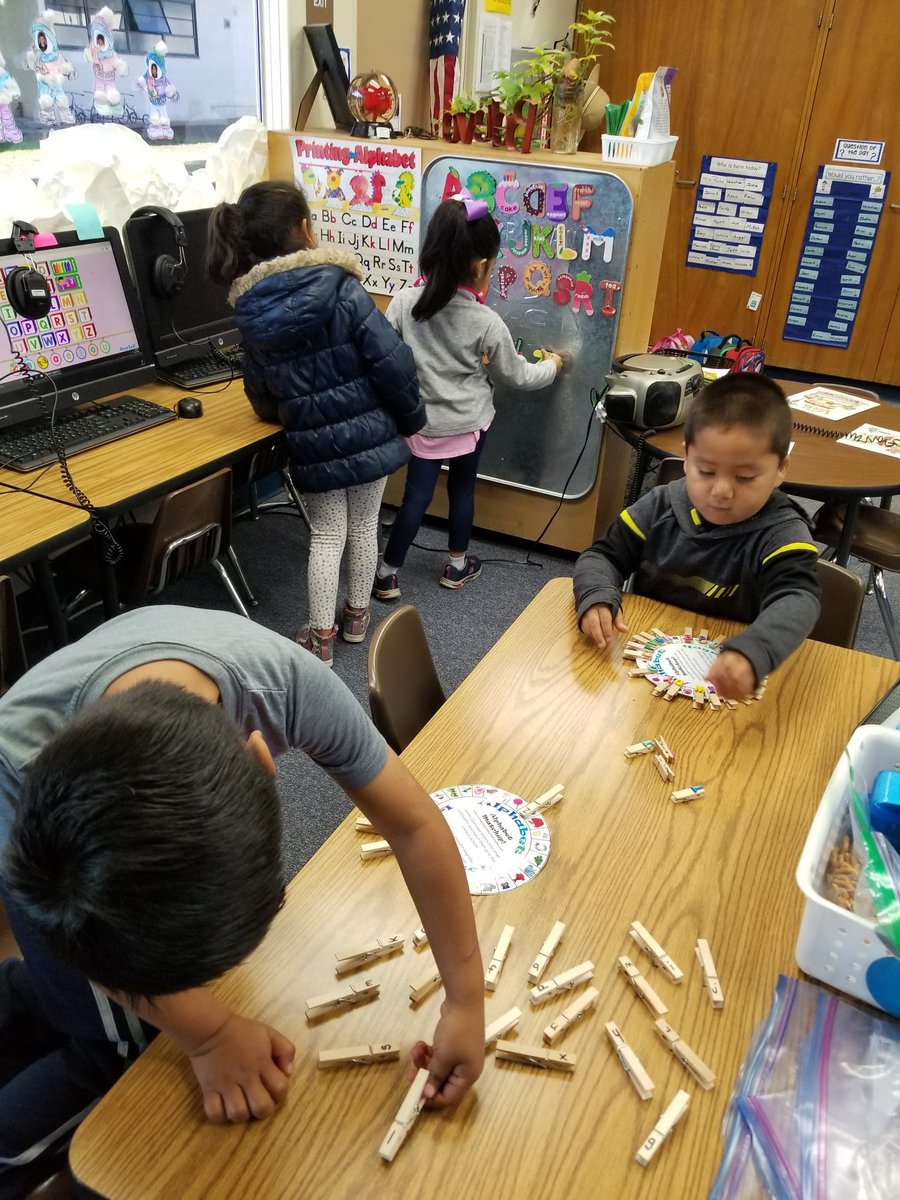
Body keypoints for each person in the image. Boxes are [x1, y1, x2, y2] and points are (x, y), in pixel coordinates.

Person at [0, 606, 484, 1197]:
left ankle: (33, 994)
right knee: (119, 1042)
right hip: (19, 806)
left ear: (261, 759)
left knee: (72, 989)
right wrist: (208, 1035)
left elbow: (415, 825)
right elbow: (96, 955)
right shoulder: (30, 793)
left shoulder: (289, 683)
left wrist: (465, 1000)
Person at [208, 181, 424, 667]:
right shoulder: (343, 285)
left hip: (312, 444)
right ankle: (357, 619)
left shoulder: (252, 310)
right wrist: (412, 418)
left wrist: (289, 411)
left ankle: (320, 639)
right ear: (305, 229)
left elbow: (260, 393)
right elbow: (392, 362)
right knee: (365, 525)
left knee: (327, 534)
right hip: (372, 435)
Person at [573, 374, 821, 699]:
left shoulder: (784, 533)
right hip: (647, 670)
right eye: (706, 471)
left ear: (781, 469)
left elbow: (798, 598)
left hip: (731, 675)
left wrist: (754, 650)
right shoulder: (659, 506)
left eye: (745, 477)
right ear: (687, 457)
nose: (721, 491)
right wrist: (597, 595)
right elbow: (602, 556)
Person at [373, 191, 562, 599]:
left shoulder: (404, 303)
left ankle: (388, 572)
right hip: (468, 425)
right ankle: (457, 566)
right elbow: (520, 376)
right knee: (462, 491)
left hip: (421, 425)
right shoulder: (487, 322)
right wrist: (555, 366)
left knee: (414, 500)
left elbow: (385, 358)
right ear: (480, 267)